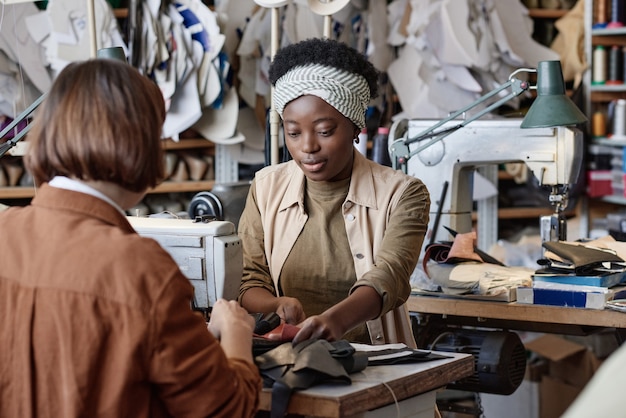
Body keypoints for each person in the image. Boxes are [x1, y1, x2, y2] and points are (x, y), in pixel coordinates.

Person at [0, 59, 260, 417]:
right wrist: (235, 333)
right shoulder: (140, 268)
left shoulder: (5, 234)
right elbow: (225, 408)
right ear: (140, 142)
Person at [238, 38, 431, 346]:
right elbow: (250, 280)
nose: (307, 147)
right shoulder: (265, 188)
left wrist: (334, 322)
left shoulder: (402, 193)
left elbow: (389, 276)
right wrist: (275, 305)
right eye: (293, 132)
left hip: (376, 362)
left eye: (325, 131)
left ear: (356, 127)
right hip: (287, 356)